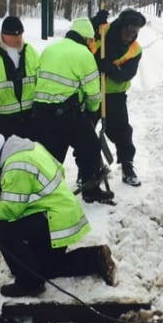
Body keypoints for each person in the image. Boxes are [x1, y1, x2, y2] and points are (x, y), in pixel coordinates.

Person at [0, 131, 117, 297]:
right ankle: (96, 258)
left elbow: (11, 209)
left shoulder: (15, 165)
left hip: (54, 219)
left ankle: (29, 283)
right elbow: (59, 170)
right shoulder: (28, 147)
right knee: (46, 268)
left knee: (2, 228)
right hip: (62, 212)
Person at [31, 18, 113, 204]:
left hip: (40, 112)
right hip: (66, 114)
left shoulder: (50, 49)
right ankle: (90, 189)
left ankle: (43, 191)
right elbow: (93, 93)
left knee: (50, 155)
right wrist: (92, 113)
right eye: (92, 41)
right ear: (86, 38)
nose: (92, 45)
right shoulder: (83, 54)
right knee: (90, 147)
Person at [91, 8, 146, 187]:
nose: (131, 36)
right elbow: (81, 41)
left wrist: (110, 69)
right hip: (91, 93)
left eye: (135, 33)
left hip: (115, 96)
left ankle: (127, 166)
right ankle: (87, 170)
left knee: (122, 132)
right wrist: (93, 23)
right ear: (122, 26)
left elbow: (127, 74)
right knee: (85, 133)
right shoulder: (102, 31)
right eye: (129, 31)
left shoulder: (135, 50)